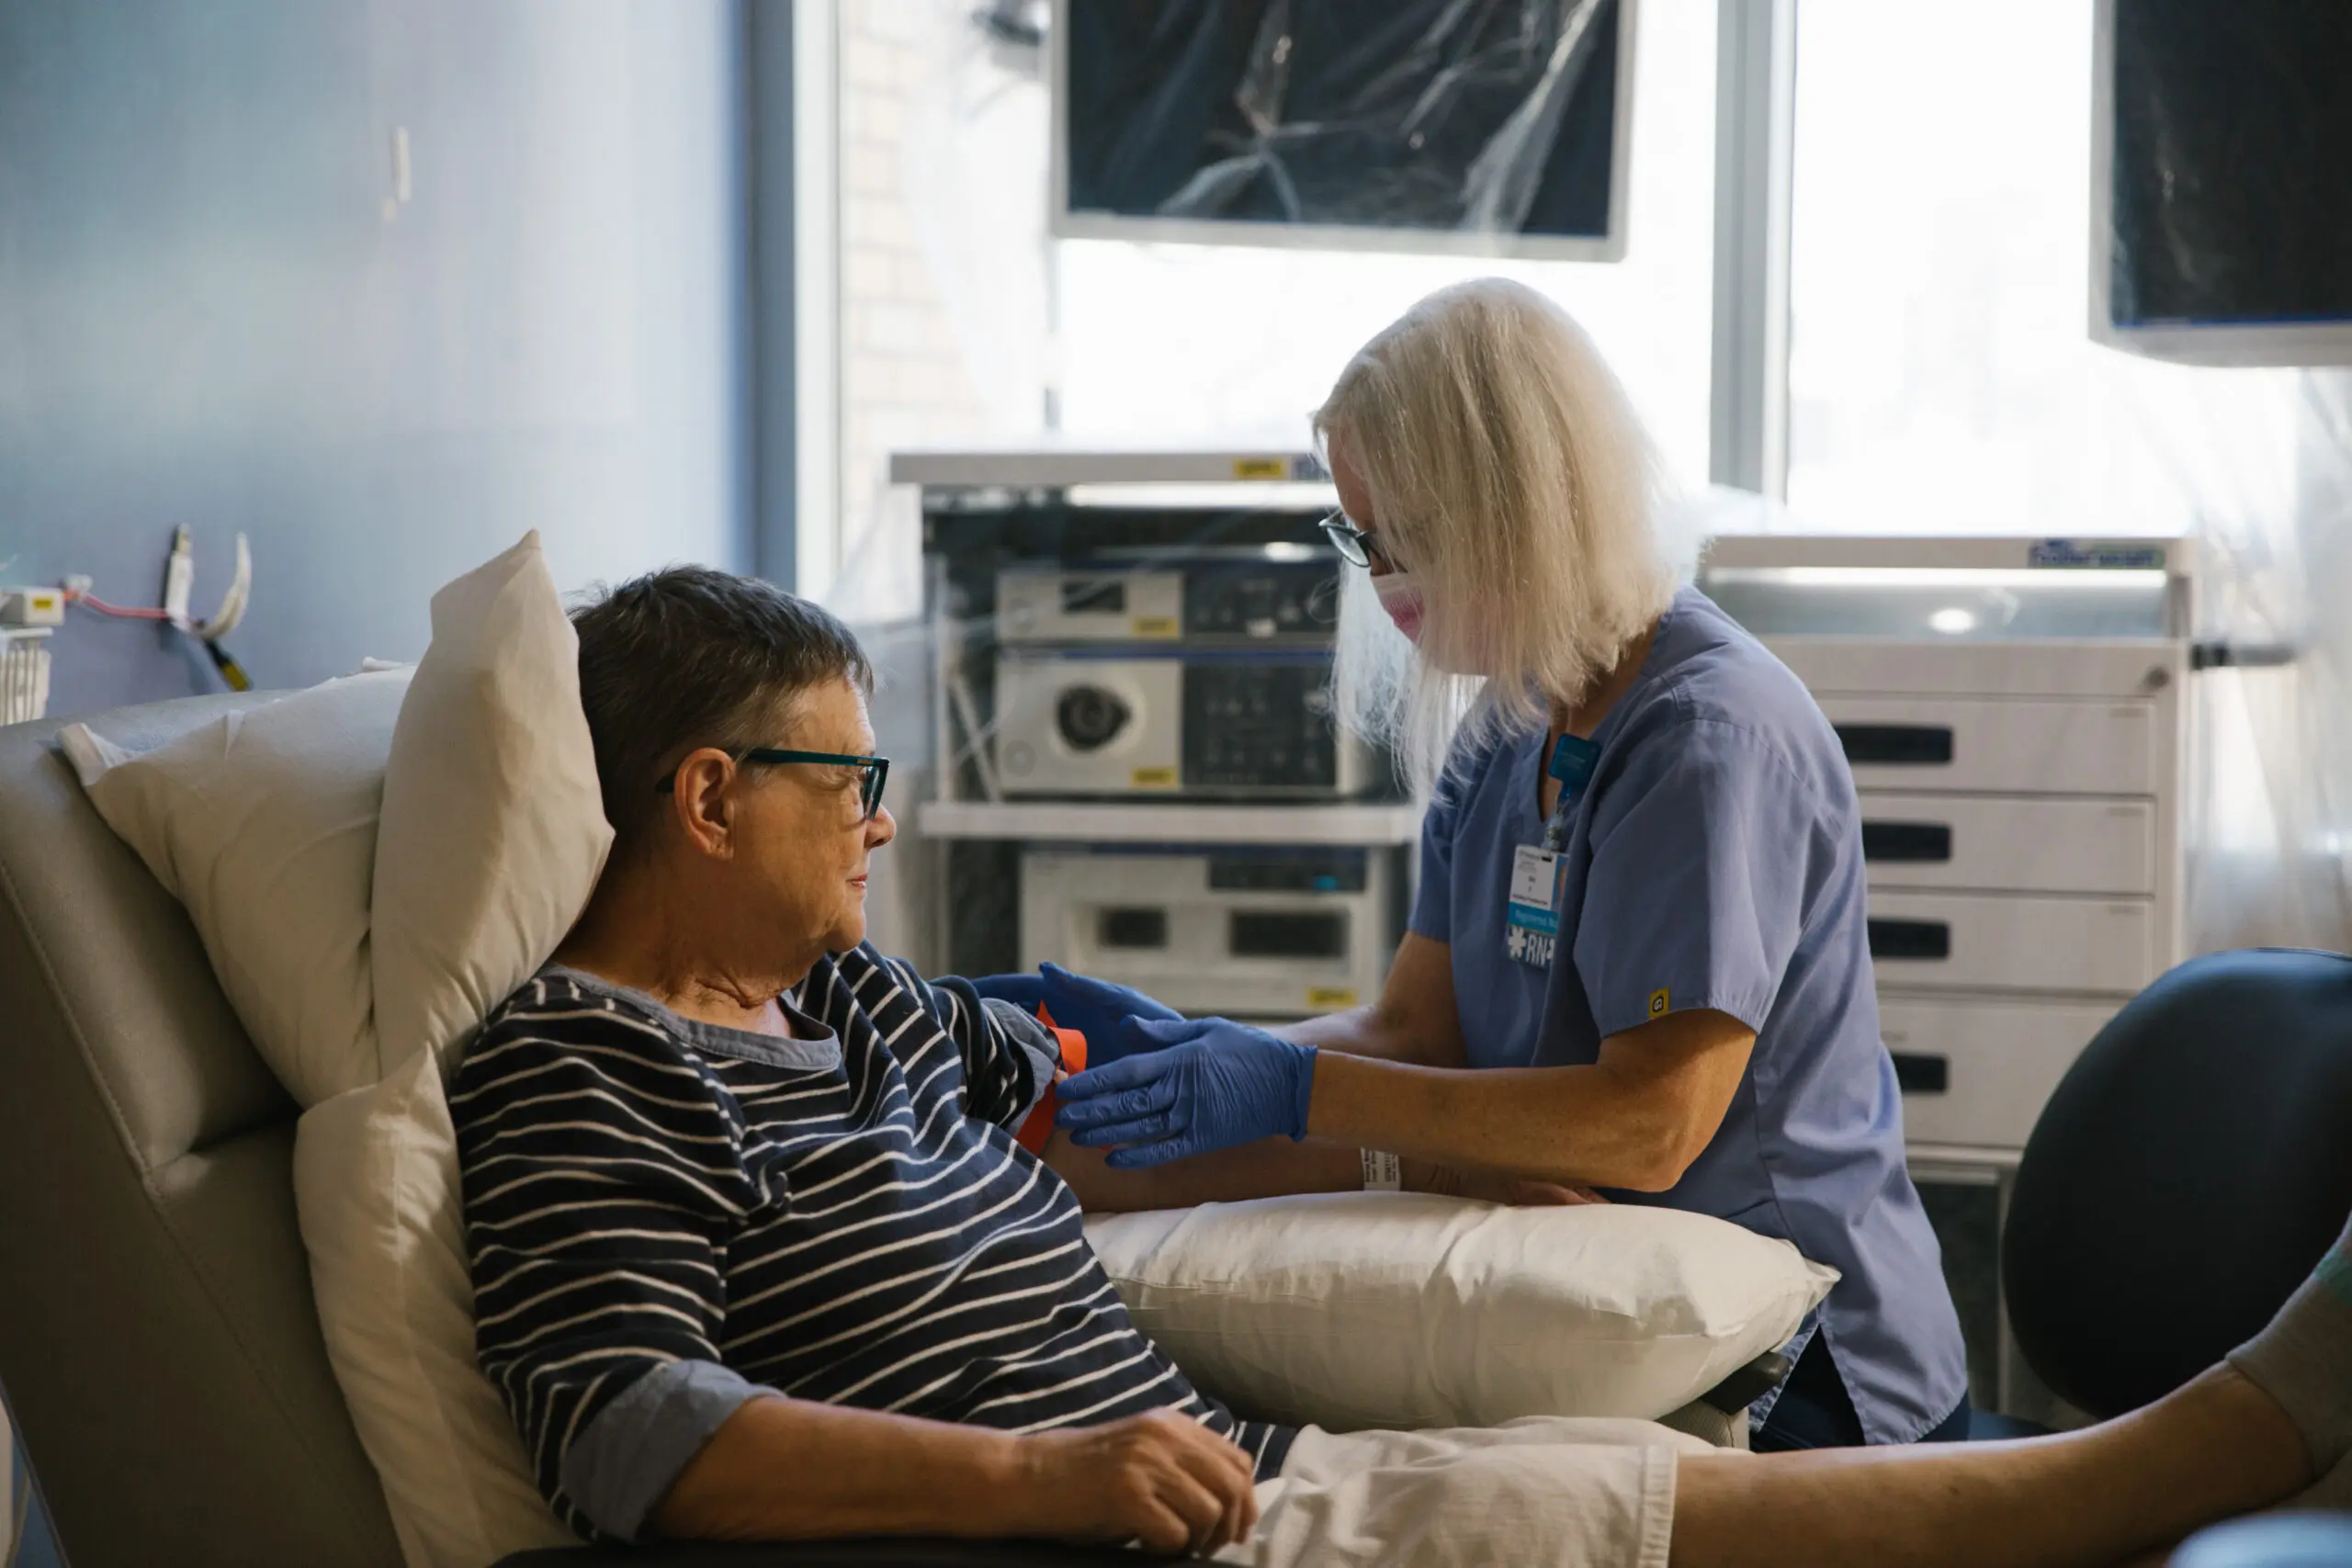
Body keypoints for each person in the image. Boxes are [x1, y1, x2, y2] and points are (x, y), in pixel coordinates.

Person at [452, 564, 2350, 1567]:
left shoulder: (846, 1001)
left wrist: (1375, 1153)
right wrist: (1045, 1477)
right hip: (1131, 1528)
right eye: (848, 780)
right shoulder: (585, 1079)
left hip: (1230, 1485)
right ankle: (2202, 1447)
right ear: (706, 796)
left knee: (1581, 1470)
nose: (880, 822)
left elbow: (1084, 1103)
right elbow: (634, 1429)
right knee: (1620, 1513)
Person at [1044, 276, 1968, 1451]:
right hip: (1582, 1279)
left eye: (1403, 543)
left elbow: (1649, 1126)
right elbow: (1411, 1035)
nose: (1381, 587)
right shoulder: (1509, 722)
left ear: (1515, 511)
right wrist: (1194, 1052)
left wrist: (1291, 1091)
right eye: (1358, 540)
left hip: (1800, 1359)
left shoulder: (1704, 739)